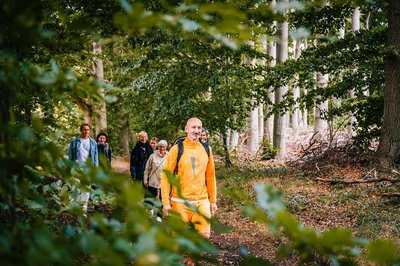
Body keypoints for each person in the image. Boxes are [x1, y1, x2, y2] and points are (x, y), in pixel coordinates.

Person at [161, 117, 217, 239]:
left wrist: (213, 201)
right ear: (186, 129)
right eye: (193, 127)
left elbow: (210, 176)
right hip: (180, 202)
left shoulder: (207, 149)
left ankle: (191, 259)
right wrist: (165, 203)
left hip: (201, 201)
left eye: (199, 128)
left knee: (204, 237)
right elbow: (166, 177)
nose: (196, 130)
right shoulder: (176, 149)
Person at [68, 123, 98, 213]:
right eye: (84, 129)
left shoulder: (93, 142)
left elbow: (95, 157)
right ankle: (73, 207)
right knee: (75, 187)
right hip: (76, 167)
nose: (86, 131)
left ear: (90, 131)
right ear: (81, 130)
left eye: (88, 129)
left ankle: (83, 208)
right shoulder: (74, 142)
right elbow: (70, 156)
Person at [143, 140, 168, 221]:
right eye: (161, 146)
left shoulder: (169, 156)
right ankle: (150, 214)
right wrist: (145, 180)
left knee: (162, 200)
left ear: (166, 147)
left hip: (163, 183)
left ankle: (159, 217)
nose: (162, 148)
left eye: (164, 147)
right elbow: (147, 169)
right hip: (153, 181)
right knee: (151, 199)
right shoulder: (152, 156)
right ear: (158, 147)